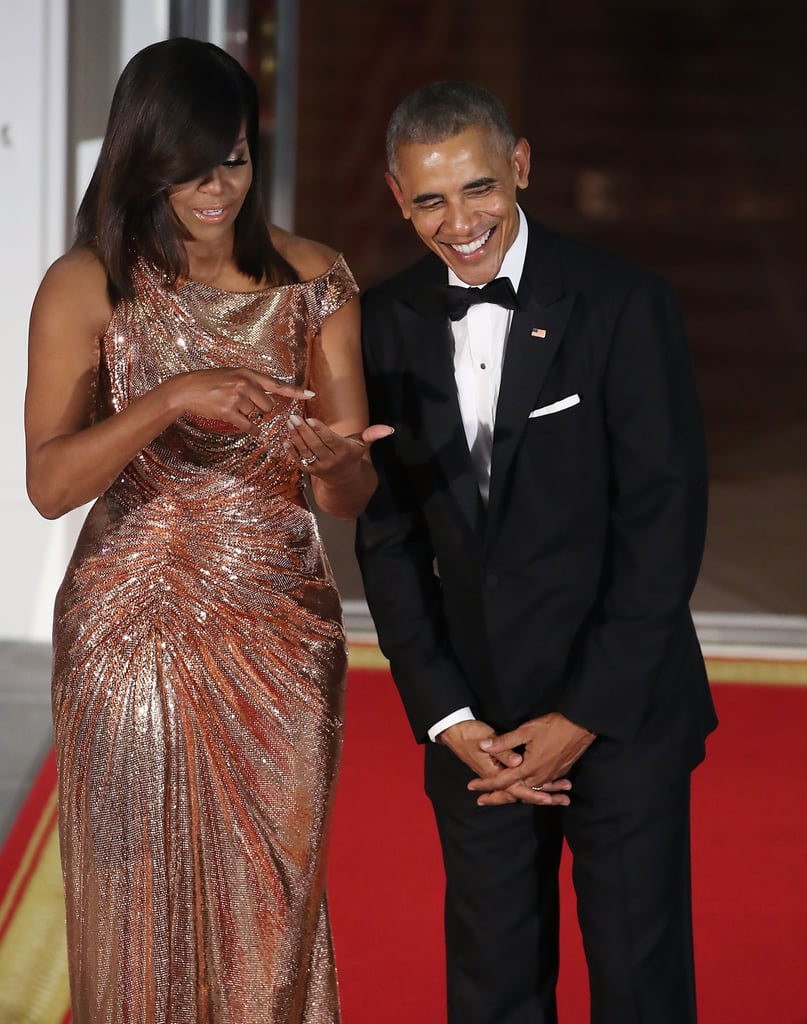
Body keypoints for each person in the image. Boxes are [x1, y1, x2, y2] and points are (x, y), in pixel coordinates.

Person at [25, 37, 390, 1024]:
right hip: (129, 625)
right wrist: (171, 396)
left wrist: (336, 460)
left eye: (231, 159)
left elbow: (346, 494)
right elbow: (50, 484)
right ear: (144, 160)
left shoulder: (315, 279)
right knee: (135, 900)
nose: (215, 187)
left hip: (280, 623)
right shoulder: (86, 285)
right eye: (189, 168)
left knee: (273, 908)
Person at [356, 81, 717, 1024]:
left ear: (520, 165)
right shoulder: (382, 322)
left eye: (478, 187)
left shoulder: (623, 303)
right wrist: (445, 715)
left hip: (624, 713)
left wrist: (582, 715)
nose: (458, 221)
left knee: (638, 988)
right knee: (492, 987)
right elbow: (388, 541)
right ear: (396, 195)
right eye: (430, 198)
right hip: (478, 726)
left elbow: (663, 530)